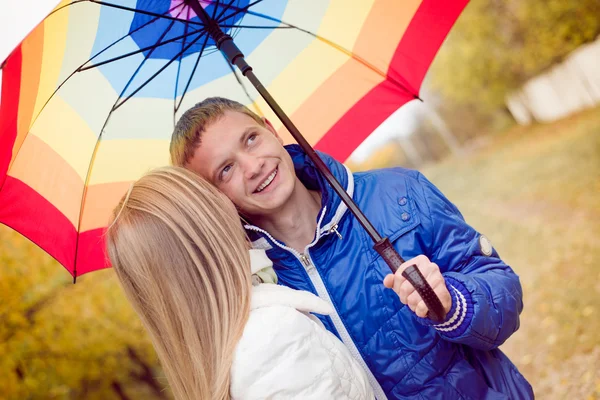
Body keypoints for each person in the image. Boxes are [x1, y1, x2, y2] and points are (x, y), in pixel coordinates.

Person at [169, 97, 535, 399]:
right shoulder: (243, 289)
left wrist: (452, 302)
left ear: (270, 129)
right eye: (226, 170)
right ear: (213, 197)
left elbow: (503, 290)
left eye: (250, 139)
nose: (252, 166)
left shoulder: (400, 192)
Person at [105, 167, 374, 400]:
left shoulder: (219, 351)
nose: (226, 199)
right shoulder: (271, 337)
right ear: (206, 226)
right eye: (209, 192)